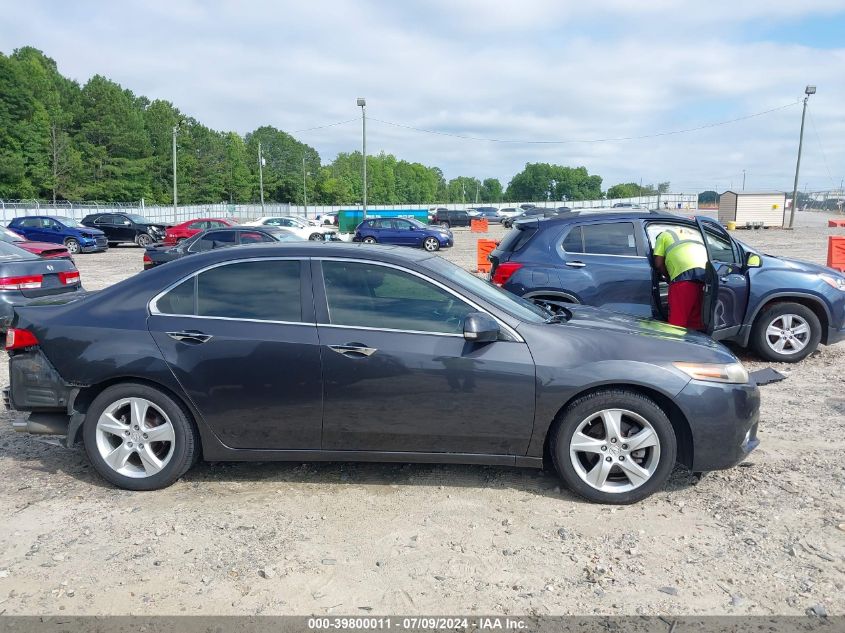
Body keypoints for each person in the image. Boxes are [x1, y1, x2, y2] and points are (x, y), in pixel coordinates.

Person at [652, 227, 708, 330]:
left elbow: (658, 263)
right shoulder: (692, 234)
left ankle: (675, 345)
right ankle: (694, 344)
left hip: (683, 278)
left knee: (677, 322)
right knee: (695, 319)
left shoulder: (663, 236)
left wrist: (668, 277)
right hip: (705, 277)